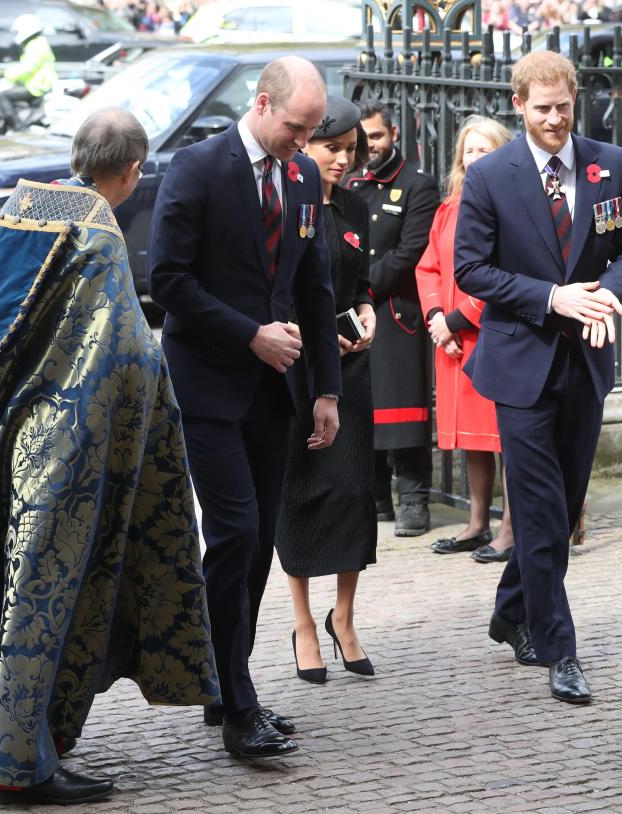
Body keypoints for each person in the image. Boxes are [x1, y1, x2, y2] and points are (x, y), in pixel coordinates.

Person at [0, 107, 220, 806]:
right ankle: (20, 766)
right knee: (36, 605)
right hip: (51, 453)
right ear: (131, 171)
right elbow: (125, 357)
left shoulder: (15, 206)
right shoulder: (98, 235)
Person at [148, 57, 342, 760]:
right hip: (209, 386)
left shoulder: (305, 177)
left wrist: (325, 389)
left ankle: (221, 677)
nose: (305, 141)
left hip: (277, 394)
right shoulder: (198, 168)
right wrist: (249, 335)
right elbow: (166, 278)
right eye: (297, 127)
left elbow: (314, 287)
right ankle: (234, 700)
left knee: (258, 541)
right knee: (233, 533)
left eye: (314, 129)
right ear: (262, 105)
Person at [455, 51, 622, 703]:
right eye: (541, 109)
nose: (555, 120)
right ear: (519, 106)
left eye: (563, 106)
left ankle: (510, 610)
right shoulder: (490, 177)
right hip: (520, 363)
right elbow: (471, 271)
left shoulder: (610, 165)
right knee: (538, 511)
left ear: (575, 98)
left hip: (586, 362)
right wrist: (551, 298)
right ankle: (558, 647)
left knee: (561, 510)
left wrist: (606, 297)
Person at [275, 96, 378, 684]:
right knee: (301, 489)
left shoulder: (357, 208)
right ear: (306, 148)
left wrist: (366, 314)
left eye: (349, 150)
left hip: (351, 367)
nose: (341, 160)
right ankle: (303, 622)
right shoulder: (288, 203)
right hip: (297, 366)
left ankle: (344, 618)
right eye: (330, 148)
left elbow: (361, 282)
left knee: (351, 491)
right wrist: (310, 338)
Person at [416, 114, 516, 563]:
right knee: (474, 440)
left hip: (489, 335)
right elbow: (429, 266)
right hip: (453, 339)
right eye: (469, 150)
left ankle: (512, 529)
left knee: (506, 438)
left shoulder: (512, 204)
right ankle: (477, 523)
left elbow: (506, 274)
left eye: (485, 150)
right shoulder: (450, 207)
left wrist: (458, 320)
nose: (475, 158)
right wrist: (438, 318)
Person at [347, 101, 441, 537]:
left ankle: (414, 501)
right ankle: (377, 498)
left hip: (396, 312)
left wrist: (361, 287)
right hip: (355, 313)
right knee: (363, 411)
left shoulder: (417, 185)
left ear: (395, 135)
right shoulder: (347, 181)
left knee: (403, 413)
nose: (370, 146)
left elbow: (411, 252)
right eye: (363, 138)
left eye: (378, 136)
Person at [0, 14, 57, 131]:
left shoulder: (36, 45)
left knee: (2, 96)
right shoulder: (37, 43)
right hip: (36, 85)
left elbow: (27, 69)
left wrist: (5, 74)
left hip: (37, 87)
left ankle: (18, 128)